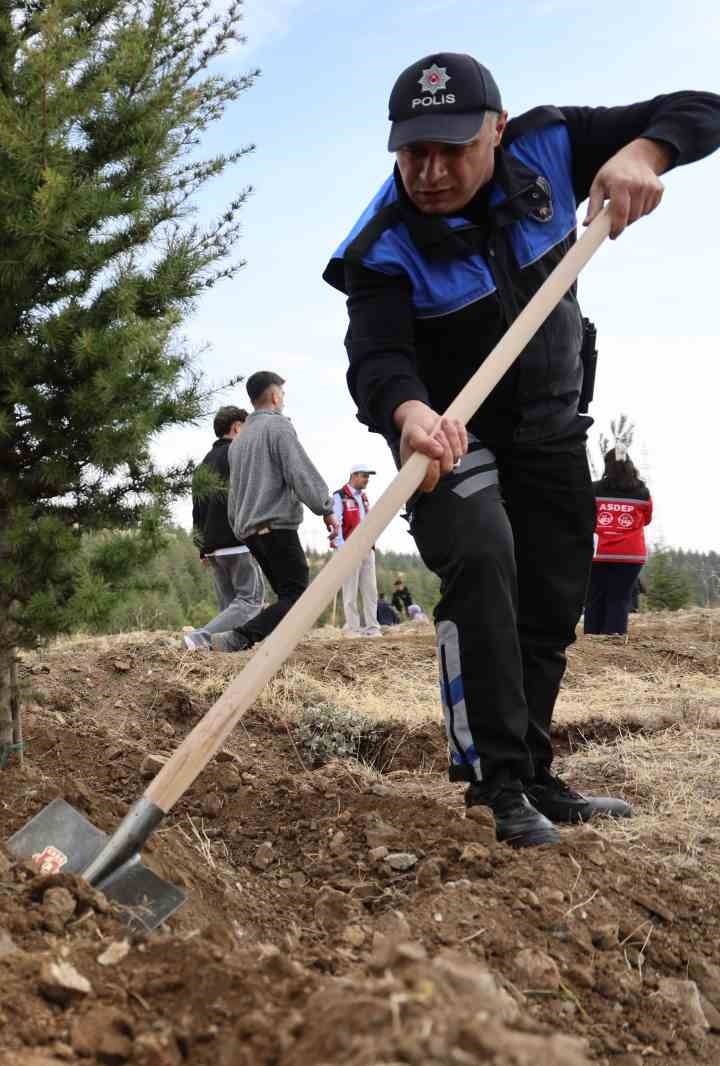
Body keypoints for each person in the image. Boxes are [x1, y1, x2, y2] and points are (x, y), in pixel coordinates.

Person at [324, 53, 718, 842]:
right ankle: (497, 784)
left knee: (551, 597)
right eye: (413, 152)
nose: (430, 171)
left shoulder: (548, 146)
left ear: (497, 133)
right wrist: (407, 415)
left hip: (550, 426)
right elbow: (377, 359)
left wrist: (646, 152)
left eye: (452, 149)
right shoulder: (380, 247)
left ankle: (535, 772)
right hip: (448, 434)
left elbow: (702, 107)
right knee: (482, 560)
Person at [201, 372, 336, 653]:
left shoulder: (238, 442)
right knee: (298, 596)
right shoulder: (278, 427)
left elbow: (234, 494)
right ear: (275, 396)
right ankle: (239, 637)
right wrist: (325, 507)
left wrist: (240, 528)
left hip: (250, 532)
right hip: (276, 527)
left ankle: (276, 646)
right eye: (282, 395)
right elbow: (299, 471)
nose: (283, 400)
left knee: (285, 596)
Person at [183, 405, 265, 650]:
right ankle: (199, 637)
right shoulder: (239, 455)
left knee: (230, 608)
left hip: (212, 548)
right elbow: (249, 497)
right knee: (250, 602)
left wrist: (201, 549)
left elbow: (197, 509)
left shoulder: (203, 465)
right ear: (237, 427)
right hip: (239, 541)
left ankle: (228, 652)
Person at [585, 448, 653, 635]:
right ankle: (614, 641)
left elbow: (584, 516)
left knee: (594, 599)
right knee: (620, 599)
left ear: (607, 465)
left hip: (599, 554)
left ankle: (594, 642)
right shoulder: (642, 491)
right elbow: (646, 519)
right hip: (630, 556)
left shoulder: (594, 489)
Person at [330, 463, 381, 638]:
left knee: (370, 590)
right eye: (365, 476)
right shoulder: (340, 496)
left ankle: (373, 628)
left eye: (368, 476)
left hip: (368, 548)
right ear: (354, 476)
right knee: (350, 591)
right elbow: (335, 522)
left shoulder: (364, 498)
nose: (367, 480)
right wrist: (342, 549)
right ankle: (352, 628)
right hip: (349, 549)